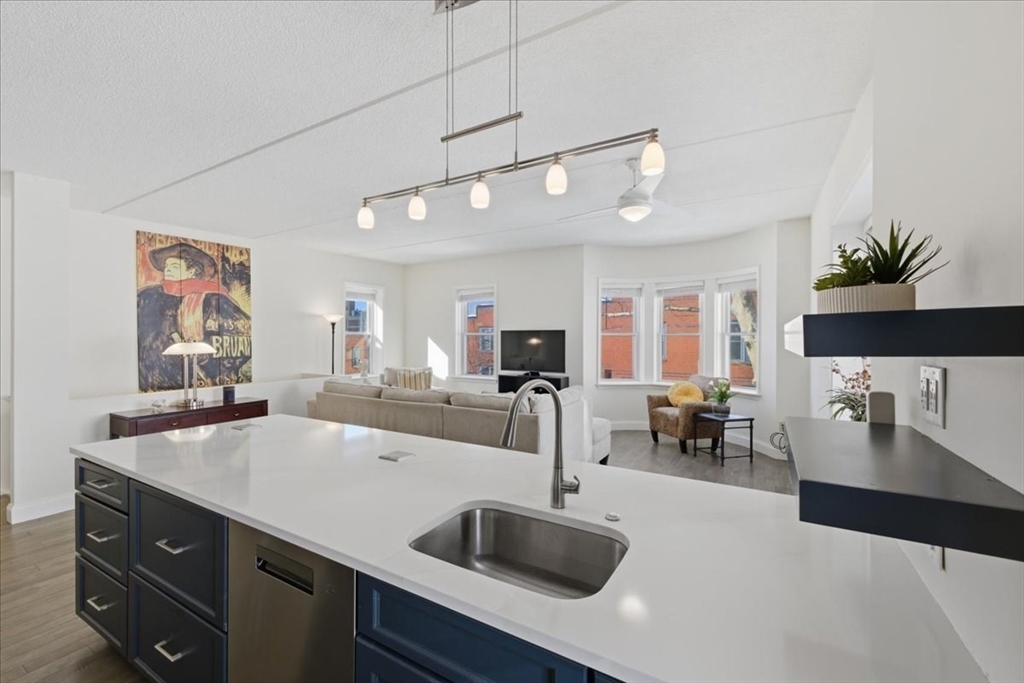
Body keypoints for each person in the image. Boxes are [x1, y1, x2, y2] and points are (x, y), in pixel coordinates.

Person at [137, 242, 252, 392]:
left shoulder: (213, 299)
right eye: (167, 267)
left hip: (192, 378)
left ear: (192, 272)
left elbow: (240, 337)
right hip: (150, 377)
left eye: (175, 267)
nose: (168, 270)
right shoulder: (147, 296)